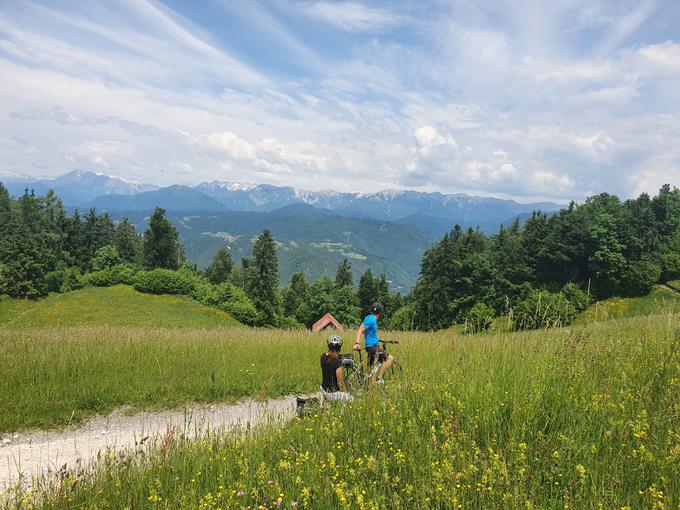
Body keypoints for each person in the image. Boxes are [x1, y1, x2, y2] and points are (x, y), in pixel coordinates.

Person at [354, 303, 393, 386]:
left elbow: (366, 331)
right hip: (372, 347)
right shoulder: (372, 319)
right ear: (380, 312)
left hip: (372, 346)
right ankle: (380, 379)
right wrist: (357, 343)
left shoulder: (369, 317)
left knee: (371, 369)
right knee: (390, 358)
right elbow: (360, 330)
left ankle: (368, 382)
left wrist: (372, 338)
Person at [320, 335, 353, 402]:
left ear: (328, 346)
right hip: (332, 394)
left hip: (323, 389)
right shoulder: (337, 362)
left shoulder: (323, 356)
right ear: (339, 347)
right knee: (352, 399)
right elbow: (340, 383)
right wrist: (344, 393)